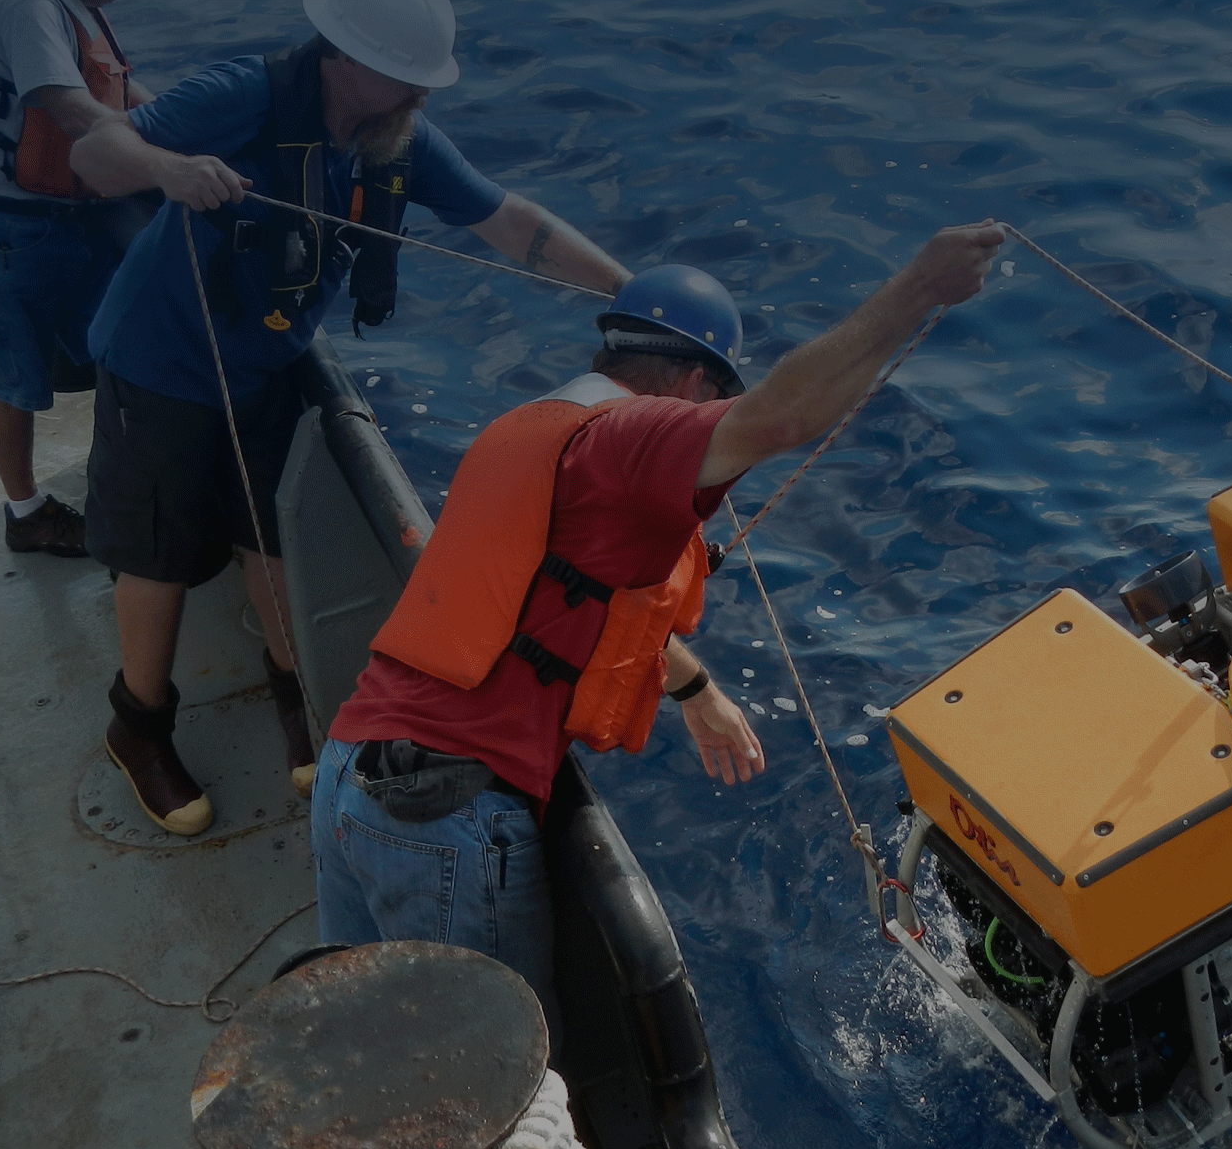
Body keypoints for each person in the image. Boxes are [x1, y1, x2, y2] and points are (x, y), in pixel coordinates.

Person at [312, 226, 1006, 1027]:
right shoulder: (633, 437)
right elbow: (778, 417)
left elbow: (564, 597)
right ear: (691, 381)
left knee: (362, 1038)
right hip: (443, 816)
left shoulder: (530, 427)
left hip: (349, 776)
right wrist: (920, 285)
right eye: (714, 400)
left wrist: (695, 688)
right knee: (486, 1077)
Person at [64, 0, 631, 837]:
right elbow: (93, 154)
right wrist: (168, 169)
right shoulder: (243, 94)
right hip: (160, 362)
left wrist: (630, 295)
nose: (421, 99)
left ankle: (294, 689)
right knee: (158, 555)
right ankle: (138, 723)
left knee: (270, 535)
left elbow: (512, 222)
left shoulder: (393, 140)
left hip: (268, 364)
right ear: (348, 61)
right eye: (409, 80)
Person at [0, 0, 157, 556]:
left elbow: (115, 93)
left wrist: (181, 132)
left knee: (120, 345)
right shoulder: (27, 4)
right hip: (5, 226)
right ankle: (27, 515)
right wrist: (159, 165)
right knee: (15, 380)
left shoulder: (77, 7)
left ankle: (129, 482)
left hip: (70, 214)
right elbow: (60, 101)